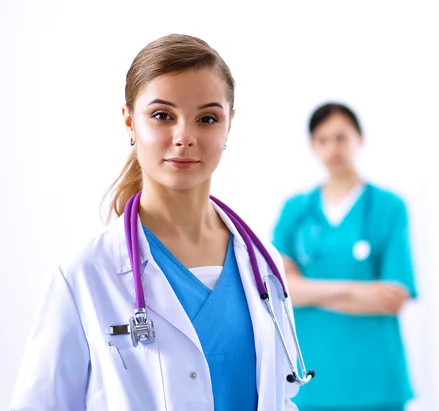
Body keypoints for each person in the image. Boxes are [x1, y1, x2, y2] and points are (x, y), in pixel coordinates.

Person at [9, 34, 304, 411]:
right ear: (129, 121)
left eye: (207, 118)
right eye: (162, 116)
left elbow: (280, 396)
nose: (185, 137)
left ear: (229, 125)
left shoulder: (264, 266)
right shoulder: (85, 276)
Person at [272, 102, 418, 411]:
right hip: (312, 376)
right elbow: (282, 291)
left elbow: (393, 298)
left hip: (376, 378)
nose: (332, 148)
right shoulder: (296, 211)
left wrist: (309, 290)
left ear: (359, 139)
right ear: (312, 145)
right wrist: (363, 291)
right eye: (323, 140)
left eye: (341, 137)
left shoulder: (388, 207)